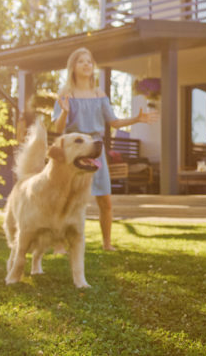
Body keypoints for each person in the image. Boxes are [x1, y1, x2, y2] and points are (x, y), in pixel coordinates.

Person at [51, 47, 157, 251]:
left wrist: (136, 119)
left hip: (96, 150)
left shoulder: (100, 95)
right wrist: (64, 112)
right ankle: (59, 244)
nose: (86, 65)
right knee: (66, 201)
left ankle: (107, 244)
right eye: (81, 61)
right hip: (75, 151)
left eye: (89, 61)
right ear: (73, 66)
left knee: (105, 202)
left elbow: (114, 122)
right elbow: (58, 128)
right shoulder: (66, 94)